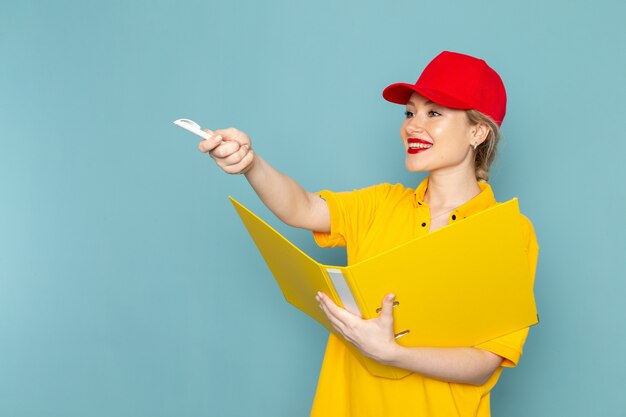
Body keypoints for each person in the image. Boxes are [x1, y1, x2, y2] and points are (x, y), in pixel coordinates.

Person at [197, 51, 539, 417]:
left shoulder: (508, 232)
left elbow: (485, 361)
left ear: (477, 131)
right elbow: (303, 208)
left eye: (434, 113)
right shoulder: (381, 204)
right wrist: (251, 163)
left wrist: (392, 353)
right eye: (410, 113)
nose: (413, 126)